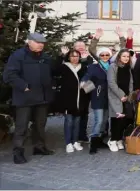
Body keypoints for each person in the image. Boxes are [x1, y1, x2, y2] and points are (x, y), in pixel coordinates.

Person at [4, 33, 56, 164]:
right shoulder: (18, 56)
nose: (41, 45)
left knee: (40, 125)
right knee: (21, 127)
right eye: (38, 43)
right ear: (29, 42)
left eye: (43, 43)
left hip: (43, 97)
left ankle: (39, 147)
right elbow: (10, 75)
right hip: (25, 97)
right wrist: (24, 86)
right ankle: (18, 152)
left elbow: (53, 72)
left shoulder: (45, 57)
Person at [54, 49, 88, 153]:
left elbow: (89, 77)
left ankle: (75, 141)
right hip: (68, 98)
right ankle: (68, 143)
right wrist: (61, 56)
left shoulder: (83, 67)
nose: (75, 58)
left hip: (80, 98)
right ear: (69, 57)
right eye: (72, 56)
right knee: (69, 121)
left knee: (77, 121)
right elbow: (54, 71)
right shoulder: (64, 66)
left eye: (77, 56)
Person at [82, 47, 112, 155]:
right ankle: (93, 142)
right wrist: (88, 86)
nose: (104, 57)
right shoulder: (93, 67)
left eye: (107, 55)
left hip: (109, 97)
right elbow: (86, 78)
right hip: (98, 96)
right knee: (98, 121)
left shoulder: (112, 66)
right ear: (99, 56)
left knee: (104, 121)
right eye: (102, 55)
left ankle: (100, 140)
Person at [107, 49, 134, 152]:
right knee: (116, 118)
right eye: (124, 56)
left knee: (124, 120)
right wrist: (121, 95)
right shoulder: (113, 67)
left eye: (127, 56)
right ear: (119, 57)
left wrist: (129, 95)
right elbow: (111, 83)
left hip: (127, 97)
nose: (126, 58)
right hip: (116, 96)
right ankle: (112, 140)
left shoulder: (128, 68)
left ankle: (119, 139)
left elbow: (131, 82)